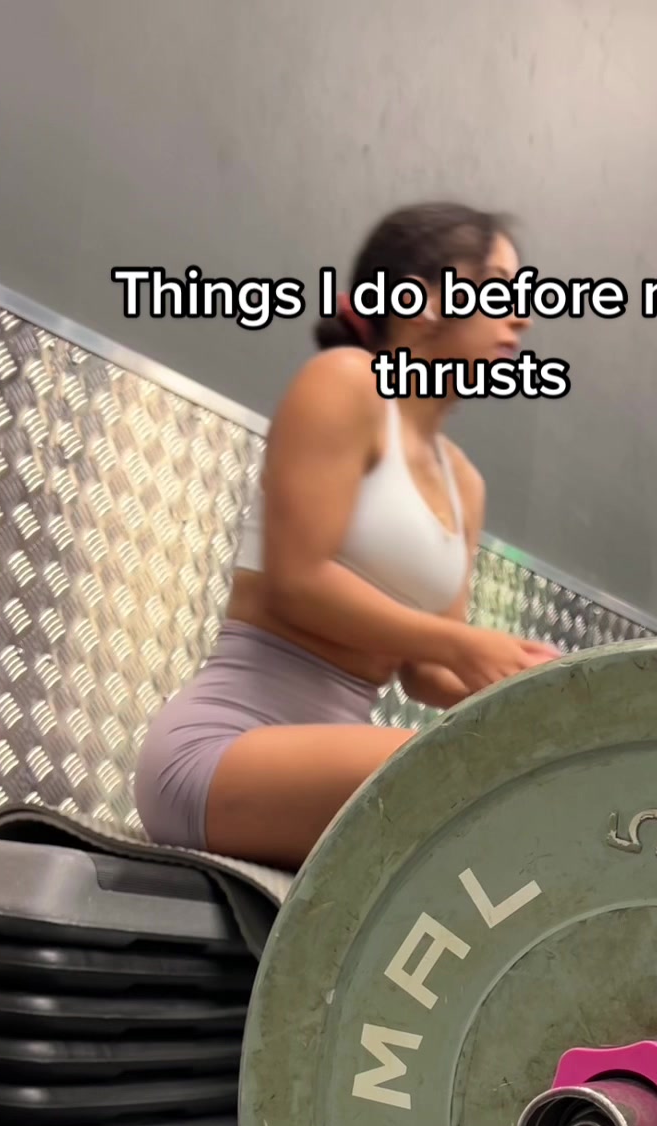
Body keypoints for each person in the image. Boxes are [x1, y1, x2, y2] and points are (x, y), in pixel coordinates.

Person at [134, 202, 560, 869]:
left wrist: (534, 682)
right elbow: (298, 581)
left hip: (330, 765)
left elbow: (425, 672)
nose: (522, 317)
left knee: (531, 784)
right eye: (500, 288)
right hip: (223, 749)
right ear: (421, 299)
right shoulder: (343, 382)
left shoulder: (464, 483)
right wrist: (463, 643)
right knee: (468, 774)